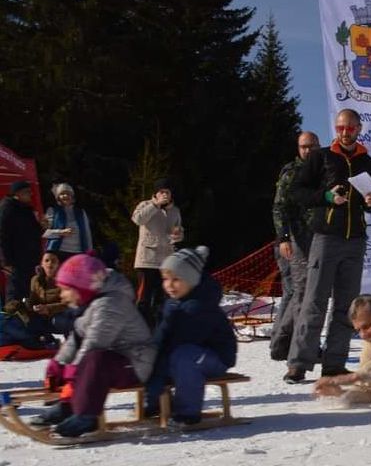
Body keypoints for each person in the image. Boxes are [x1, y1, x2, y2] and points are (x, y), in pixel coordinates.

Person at [285, 108, 371, 383]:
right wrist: (327, 196)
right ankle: (299, 364)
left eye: (350, 128)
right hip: (326, 238)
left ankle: (334, 364)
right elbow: (297, 193)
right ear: (335, 129)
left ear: (359, 129)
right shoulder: (321, 156)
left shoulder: (368, 161)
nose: (345, 132)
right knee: (314, 301)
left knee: (347, 306)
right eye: (341, 128)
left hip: (355, 240)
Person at [31, 253, 156, 437]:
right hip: (118, 361)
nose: (62, 295)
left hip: (137, 363)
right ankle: (68, 406)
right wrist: (58, 363)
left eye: (66, 289)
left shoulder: (111, 304)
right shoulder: (93, 303)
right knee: (92, 360)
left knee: (95, 359)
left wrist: (73, 369)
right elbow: (77, 337)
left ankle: (86, 416)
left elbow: (95, 342)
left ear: (81, 287)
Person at [144, 246, 238, 424]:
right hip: (189, 353)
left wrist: (157, 361)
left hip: (215, 357)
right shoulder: (174, 303)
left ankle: (188, 412)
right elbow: (162, 337)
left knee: (183, 357)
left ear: (192, 280)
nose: (169, 285)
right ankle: (157, 403)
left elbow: (180, 341)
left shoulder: (199, 306)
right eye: (165, 279)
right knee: (158, 356)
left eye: (176, 279)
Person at [269, 131, 320, 362]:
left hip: (319, 238)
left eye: (311, 146)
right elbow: (279, 208)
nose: (307, 150)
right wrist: (284, 238)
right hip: (296, 241)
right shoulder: (292, 172)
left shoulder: (324, 170)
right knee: (300, 293)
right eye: (303, 146)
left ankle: (281, 343)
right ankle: (299, 347)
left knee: (302, 293)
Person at [132, 178, 183, 330]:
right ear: (155, 193)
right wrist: (155, 204)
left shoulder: (175, 210)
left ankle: (160, 329)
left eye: (167, 192)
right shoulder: (145, 205)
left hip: (166, 261)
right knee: (144, 298)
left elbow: (179, 230)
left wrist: (178, 235)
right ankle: (140, 329)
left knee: (163, 298)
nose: (165, 195)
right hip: (146, 259)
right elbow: (137, 219)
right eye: (161, 192)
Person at [0, 181, 42, 301]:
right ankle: (13, 316)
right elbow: (3, 236)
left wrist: (42, 226)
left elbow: (35, 231)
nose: (31, 194)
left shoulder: (26, 209)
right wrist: (6, 261)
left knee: (29, 289)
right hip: (16, 260)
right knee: (15, 292)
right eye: (28, 192)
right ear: (18, 193)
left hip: (30, 258)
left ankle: (28, 316)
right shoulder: (7, 208)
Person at [42, 183, 93, 262]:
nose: (65, 196)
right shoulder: (52, 211)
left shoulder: (81, 212)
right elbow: (45, 233)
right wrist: (61, 232)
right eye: (62, 194)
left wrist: (90, 252)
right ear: (58, 197)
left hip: (78, 252)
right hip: (58, 252)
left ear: (72, 196)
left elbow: (87, 233)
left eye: (68, 193)